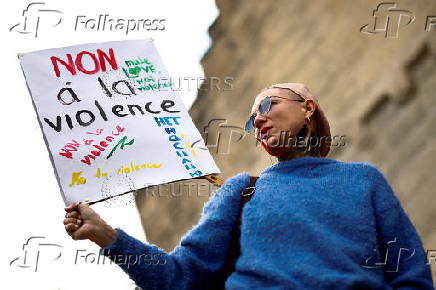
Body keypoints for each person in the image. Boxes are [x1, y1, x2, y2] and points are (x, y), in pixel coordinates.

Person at [64, 83, 434, 289]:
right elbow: (180, 278)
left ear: (307, 107)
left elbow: (412, 277)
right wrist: (105, 234)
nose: (257, 119)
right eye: (251, 118)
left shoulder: (364, 180)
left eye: (268, 104)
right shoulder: (243, 191)